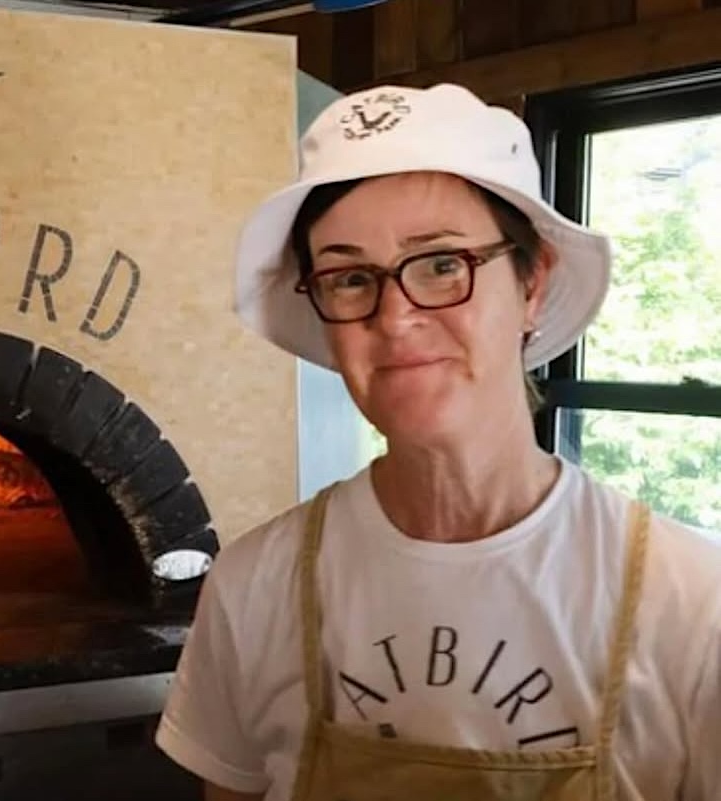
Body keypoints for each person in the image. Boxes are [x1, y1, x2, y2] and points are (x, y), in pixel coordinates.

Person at [154, 82, 721, 801]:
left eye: (442, 263)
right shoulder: (253, 585)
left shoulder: (694, 602)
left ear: (532, 282)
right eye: (350, 276)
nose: (395, 319)